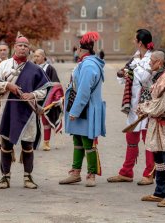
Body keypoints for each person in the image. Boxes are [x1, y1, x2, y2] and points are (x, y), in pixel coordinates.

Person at [0, 35, 49, 189]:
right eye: (20, 45)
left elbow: (43, 90)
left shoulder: (35, 69)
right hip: (7, 109)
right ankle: (5, 177)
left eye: (25, 46)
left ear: (29, 49)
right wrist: (7, 86)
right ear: (14, 47)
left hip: (27, 112)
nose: (23, 48)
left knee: (28, 144)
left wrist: (33, 95)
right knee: (6, 143)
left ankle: (28, 177)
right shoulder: (4, 65)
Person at [107, 29, 155, 186]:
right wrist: (122, 73)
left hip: (147, 102)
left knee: (147, 139)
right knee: (131, 137)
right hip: (133, 103)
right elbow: (123, 76)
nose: (134, 41)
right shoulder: (135, 58)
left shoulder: (151, 59)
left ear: (140, 42)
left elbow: (144, 78)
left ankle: (149, 173)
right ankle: (127, 172)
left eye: (135, 39)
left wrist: (130, 71)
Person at [59, 31, 106, 187]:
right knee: (77, 139)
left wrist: (74, 111)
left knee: (88, 141)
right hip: (82, 107)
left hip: (86, 108)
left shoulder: (88, 65)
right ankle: (76, 172)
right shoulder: (86, 63)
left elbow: (84, 91)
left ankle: (91, 174)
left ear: (80, 49)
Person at [140, 50, 165, 207]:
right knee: (159, 158)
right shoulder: (160, 77)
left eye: (152, 60)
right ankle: (159, 192)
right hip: (156, 123)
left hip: (164, 124)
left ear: (160, 63)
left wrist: (144, 108)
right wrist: (146, 107)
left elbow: (160, 106)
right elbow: (154, 102)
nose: (150, 63)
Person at [33, 49, 63, 151]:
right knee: (32, 121)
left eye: (38, 56)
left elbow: (56, 85)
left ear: (43, 57)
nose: (36, 58)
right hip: (33, 97)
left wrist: (57, 97)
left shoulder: (50, 69)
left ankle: (46, 142)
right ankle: (33, 142)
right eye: (35, 56)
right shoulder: (31, 68)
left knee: (45, 121)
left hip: (47, 98)